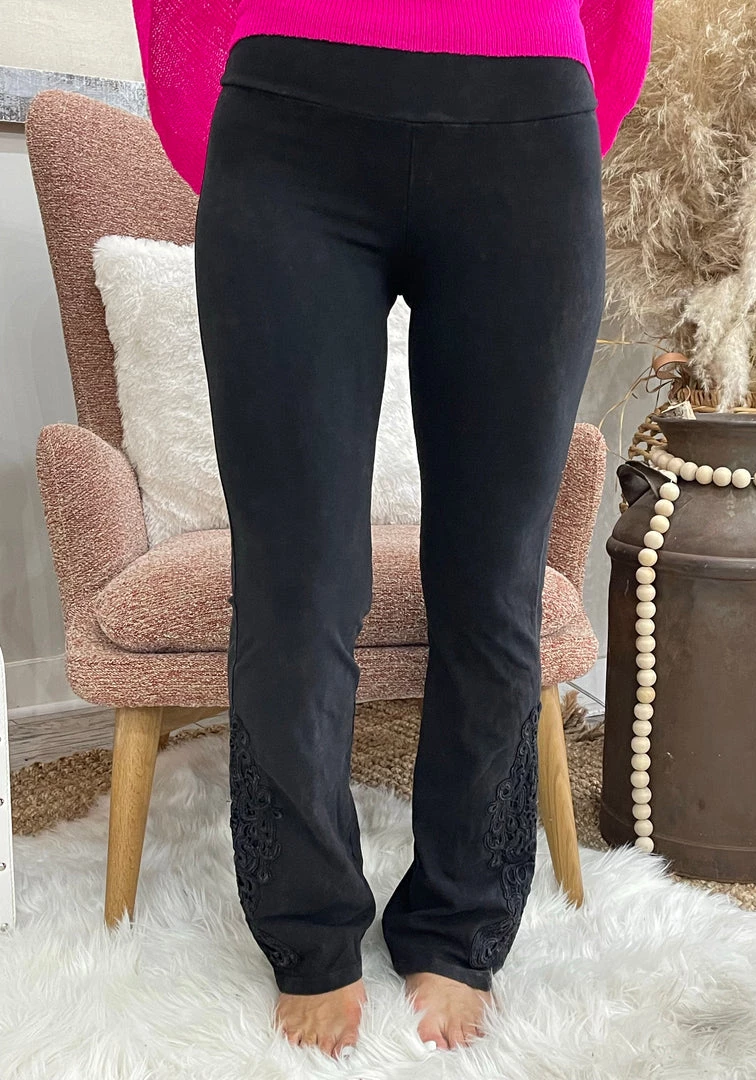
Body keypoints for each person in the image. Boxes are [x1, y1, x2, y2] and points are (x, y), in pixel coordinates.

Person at [133, 0, 654, 1061]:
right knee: (294, 583)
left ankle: (461, 921)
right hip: (290, 116)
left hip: (527, 122)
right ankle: (308, 923)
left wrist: (549, 109)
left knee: (493, 580)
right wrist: (218, 122)